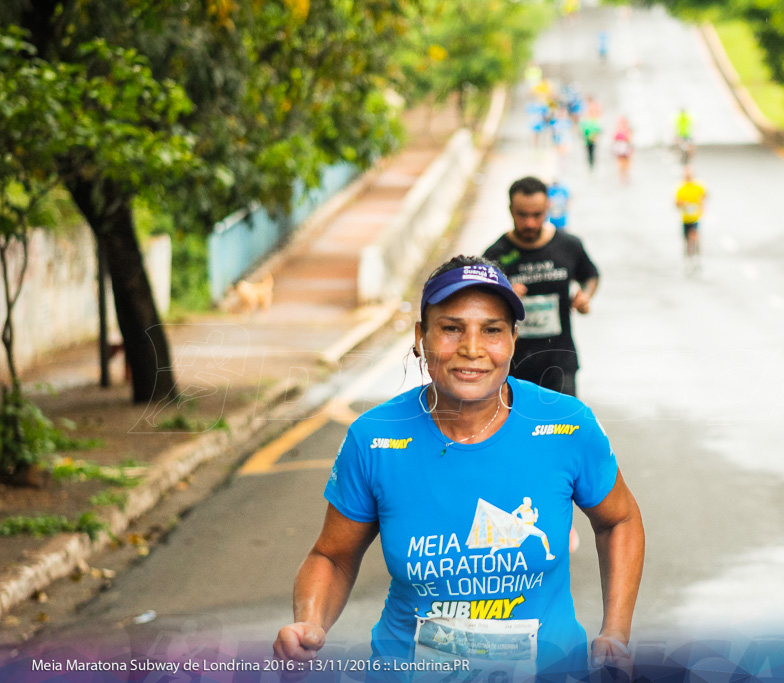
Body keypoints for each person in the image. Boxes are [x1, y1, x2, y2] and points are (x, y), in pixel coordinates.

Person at [273, 255, 645, 682]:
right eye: (452, 329)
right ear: (420, 337)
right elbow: (332, 557)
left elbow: (620, 520)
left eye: (492, 330)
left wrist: (615, 632)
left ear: (513, 340)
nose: (472, 348)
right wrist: (310, 623)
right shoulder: (374, 438)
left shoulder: (566, 424)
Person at [484, 177, 598, 397]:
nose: (530, 223)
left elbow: (591, 275)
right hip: (512, 369)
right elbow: (479, 308)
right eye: (522, 215)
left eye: (537, 215)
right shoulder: (495, 255)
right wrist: (503, 297)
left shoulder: (568, 245)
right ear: (510, 210)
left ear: (547, 208)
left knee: (564, 429)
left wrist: (585, 296)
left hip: (560, 364)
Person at [675, 166, 707, 269]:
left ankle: (697, 257)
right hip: (685, 218)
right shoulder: (680, 188)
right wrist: (681, 204)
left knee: (694, 237)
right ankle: (687, 257)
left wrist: (702, 205)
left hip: (695, 217)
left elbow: (705, 195)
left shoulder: (698, 186)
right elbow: (676, 203)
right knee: (686, 239)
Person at [612, 117, 633, 184]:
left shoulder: (628, 130)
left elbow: (630, 139)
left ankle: (625, 175)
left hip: (625, 147)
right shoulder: (617, 130)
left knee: (626, 162)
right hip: (619, 147)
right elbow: (614, 139)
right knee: (620, 162)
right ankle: (622, 176)